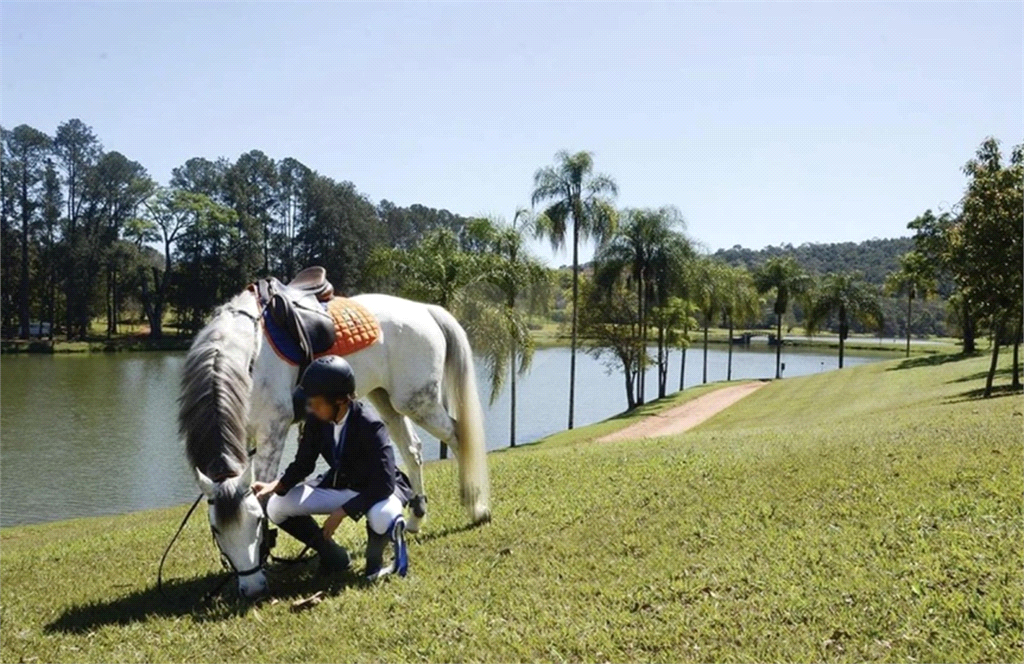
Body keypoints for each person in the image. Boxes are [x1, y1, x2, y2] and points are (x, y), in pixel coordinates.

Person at [253, 356, 412, 580]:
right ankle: (334, 556)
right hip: (342, 485)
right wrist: (276, 484)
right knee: (278, 506)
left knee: (381, 516)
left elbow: (384, 484)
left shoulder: (371, 424)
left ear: (340, 401)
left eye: (316, 403)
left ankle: (375, 562)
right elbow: (304, 463)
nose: (311, 408)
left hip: (378, 491)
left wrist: (342, 512)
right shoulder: (317, 419)